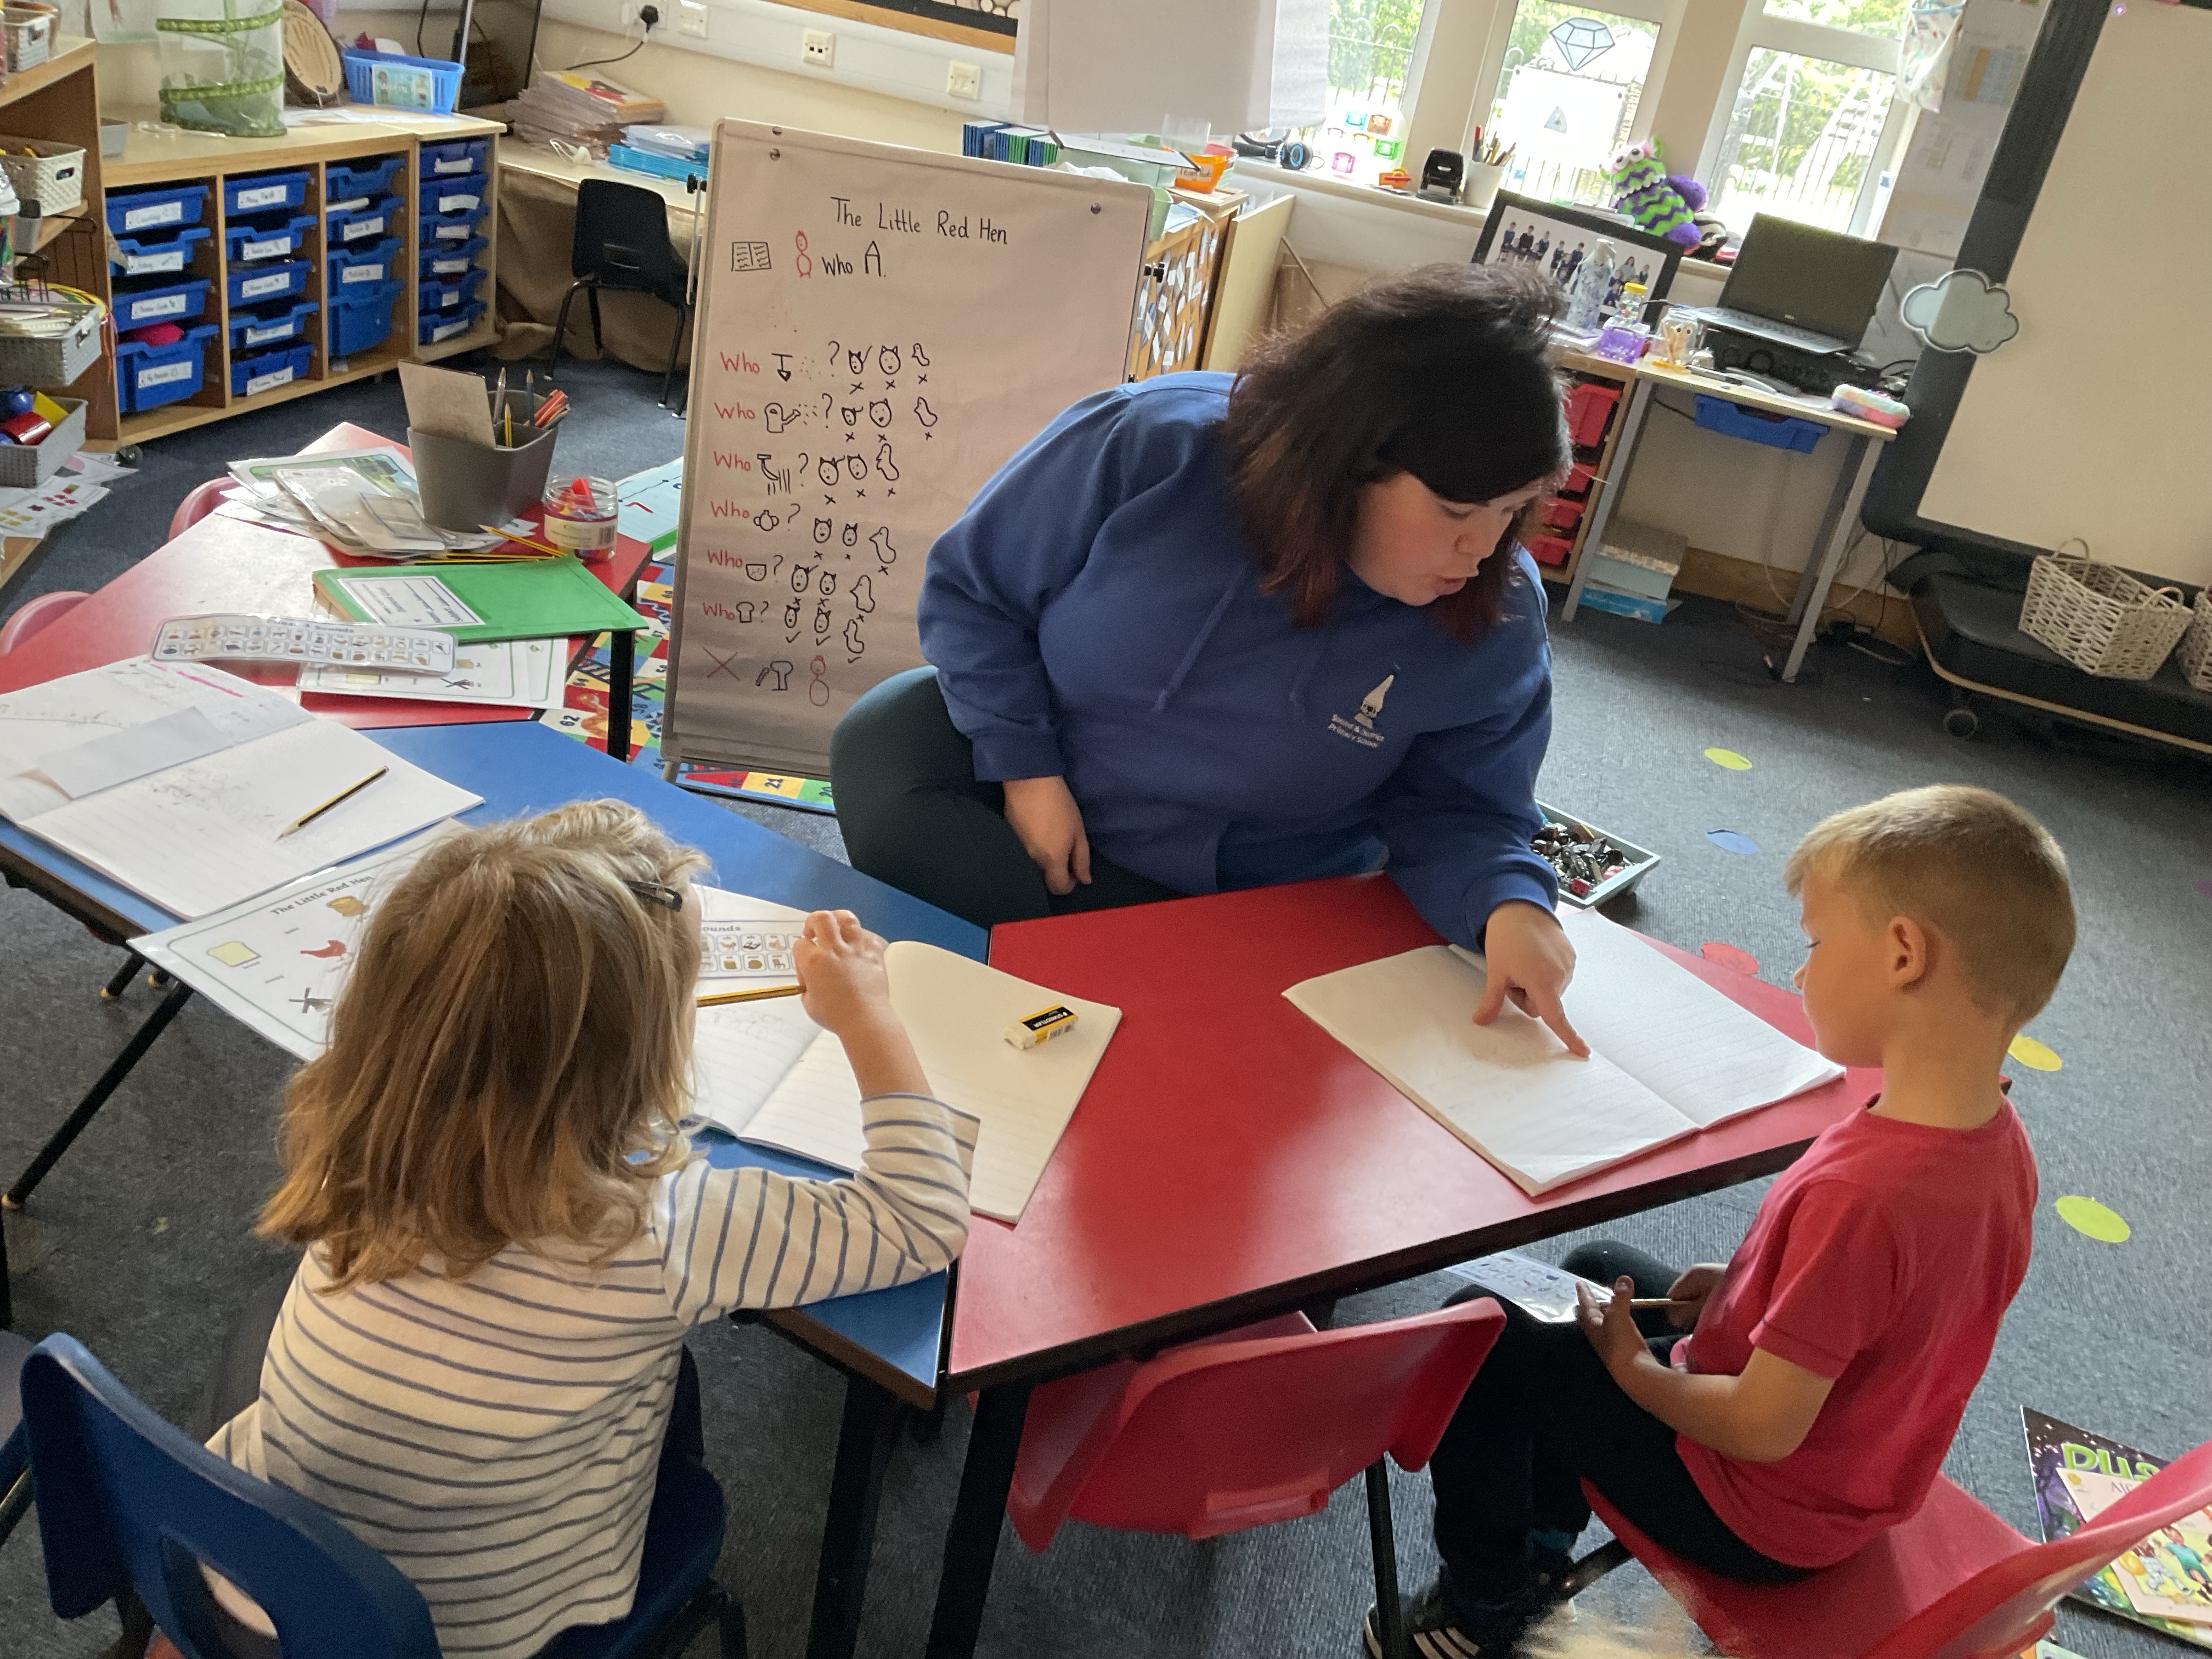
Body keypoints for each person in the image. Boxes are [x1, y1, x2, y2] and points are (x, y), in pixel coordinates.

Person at [181, 803, 976, 1659]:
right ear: (637, 1053)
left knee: (271, 1326)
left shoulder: (362, 1136)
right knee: (667, 1405)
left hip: (244, 1585)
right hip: (465, 1639)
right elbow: (922, 1217)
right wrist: (867, 1016)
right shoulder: (660, 1231)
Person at [1376, 786, 2069, 1658]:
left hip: (1759, 1509)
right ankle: (1547, 1544)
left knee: (1486, 1336)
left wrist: (1636, 1373)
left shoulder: (1866, 1196)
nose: (1802, 974)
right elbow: (1890, 1312)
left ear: (1903, 955)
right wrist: (1744, 1289)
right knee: (1593, 1265)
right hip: (1852, 1465)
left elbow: (1759, 1427)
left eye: (1817, 944)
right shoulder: (1993, 1140)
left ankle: (1483, 1604)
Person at [833, 265, 1586, 1052]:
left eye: (1512, 510)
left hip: (1260, 892)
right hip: (1057, 832)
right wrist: (1027, 772)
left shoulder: (1496, 611)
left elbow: (1465, 806)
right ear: (1349, 463)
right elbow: (975, 593)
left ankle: (1091, 986)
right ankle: (1071, 985)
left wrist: (1510, 904)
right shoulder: (1150, 443)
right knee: (889, 739)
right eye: (1457, 511)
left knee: (1153, 1049)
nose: (1483, 547)